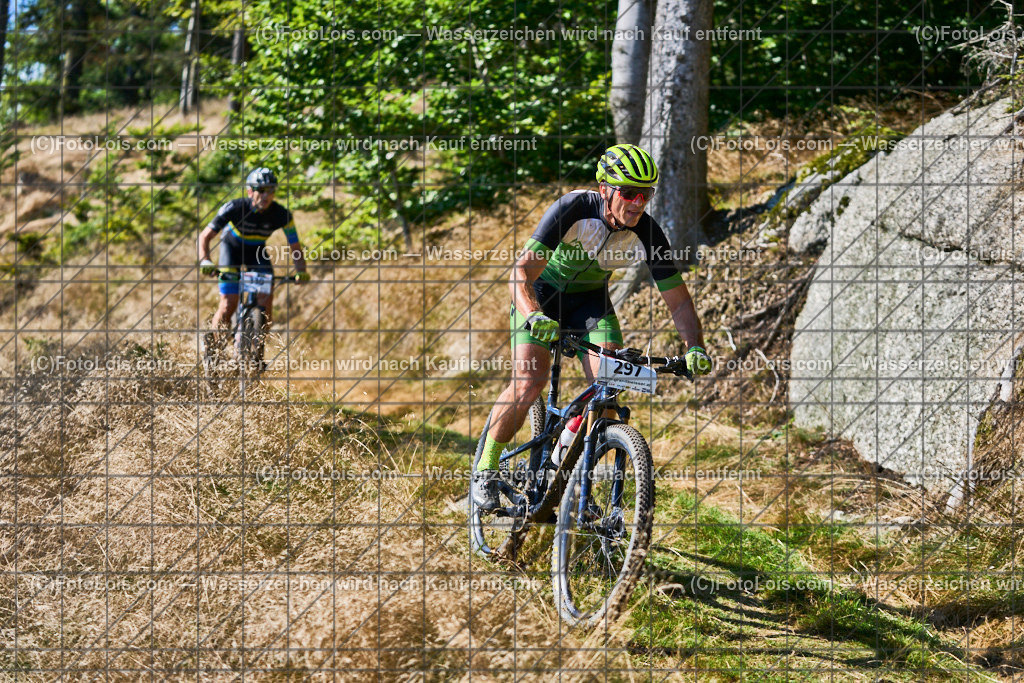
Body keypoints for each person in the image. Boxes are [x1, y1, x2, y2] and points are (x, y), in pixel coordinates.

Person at [471, 144, 713, 511]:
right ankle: (486, 469)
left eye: (646, 194)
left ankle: (571, 479)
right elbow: (521, 272)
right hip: (541, 295)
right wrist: (533, 315)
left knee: (607, 391)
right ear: (605, 190)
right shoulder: (573, 208)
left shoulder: (647, 232)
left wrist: (694, 346)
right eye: (628, 192)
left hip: (590, 305)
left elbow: (678, 301)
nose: (637, 202)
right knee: (530, 381)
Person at [197, 167, 310, 345]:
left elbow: (295, 246)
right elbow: (204, 236)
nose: (266, 195)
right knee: (229, 303)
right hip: (231, 250)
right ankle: (216, 346)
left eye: (271, 190)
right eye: (261, 190)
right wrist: (205, 260)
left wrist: (301, 270)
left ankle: (257, 347)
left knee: (266, 300)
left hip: (256, 253)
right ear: (250, 191)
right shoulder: (234, 207)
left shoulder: (282, 215)